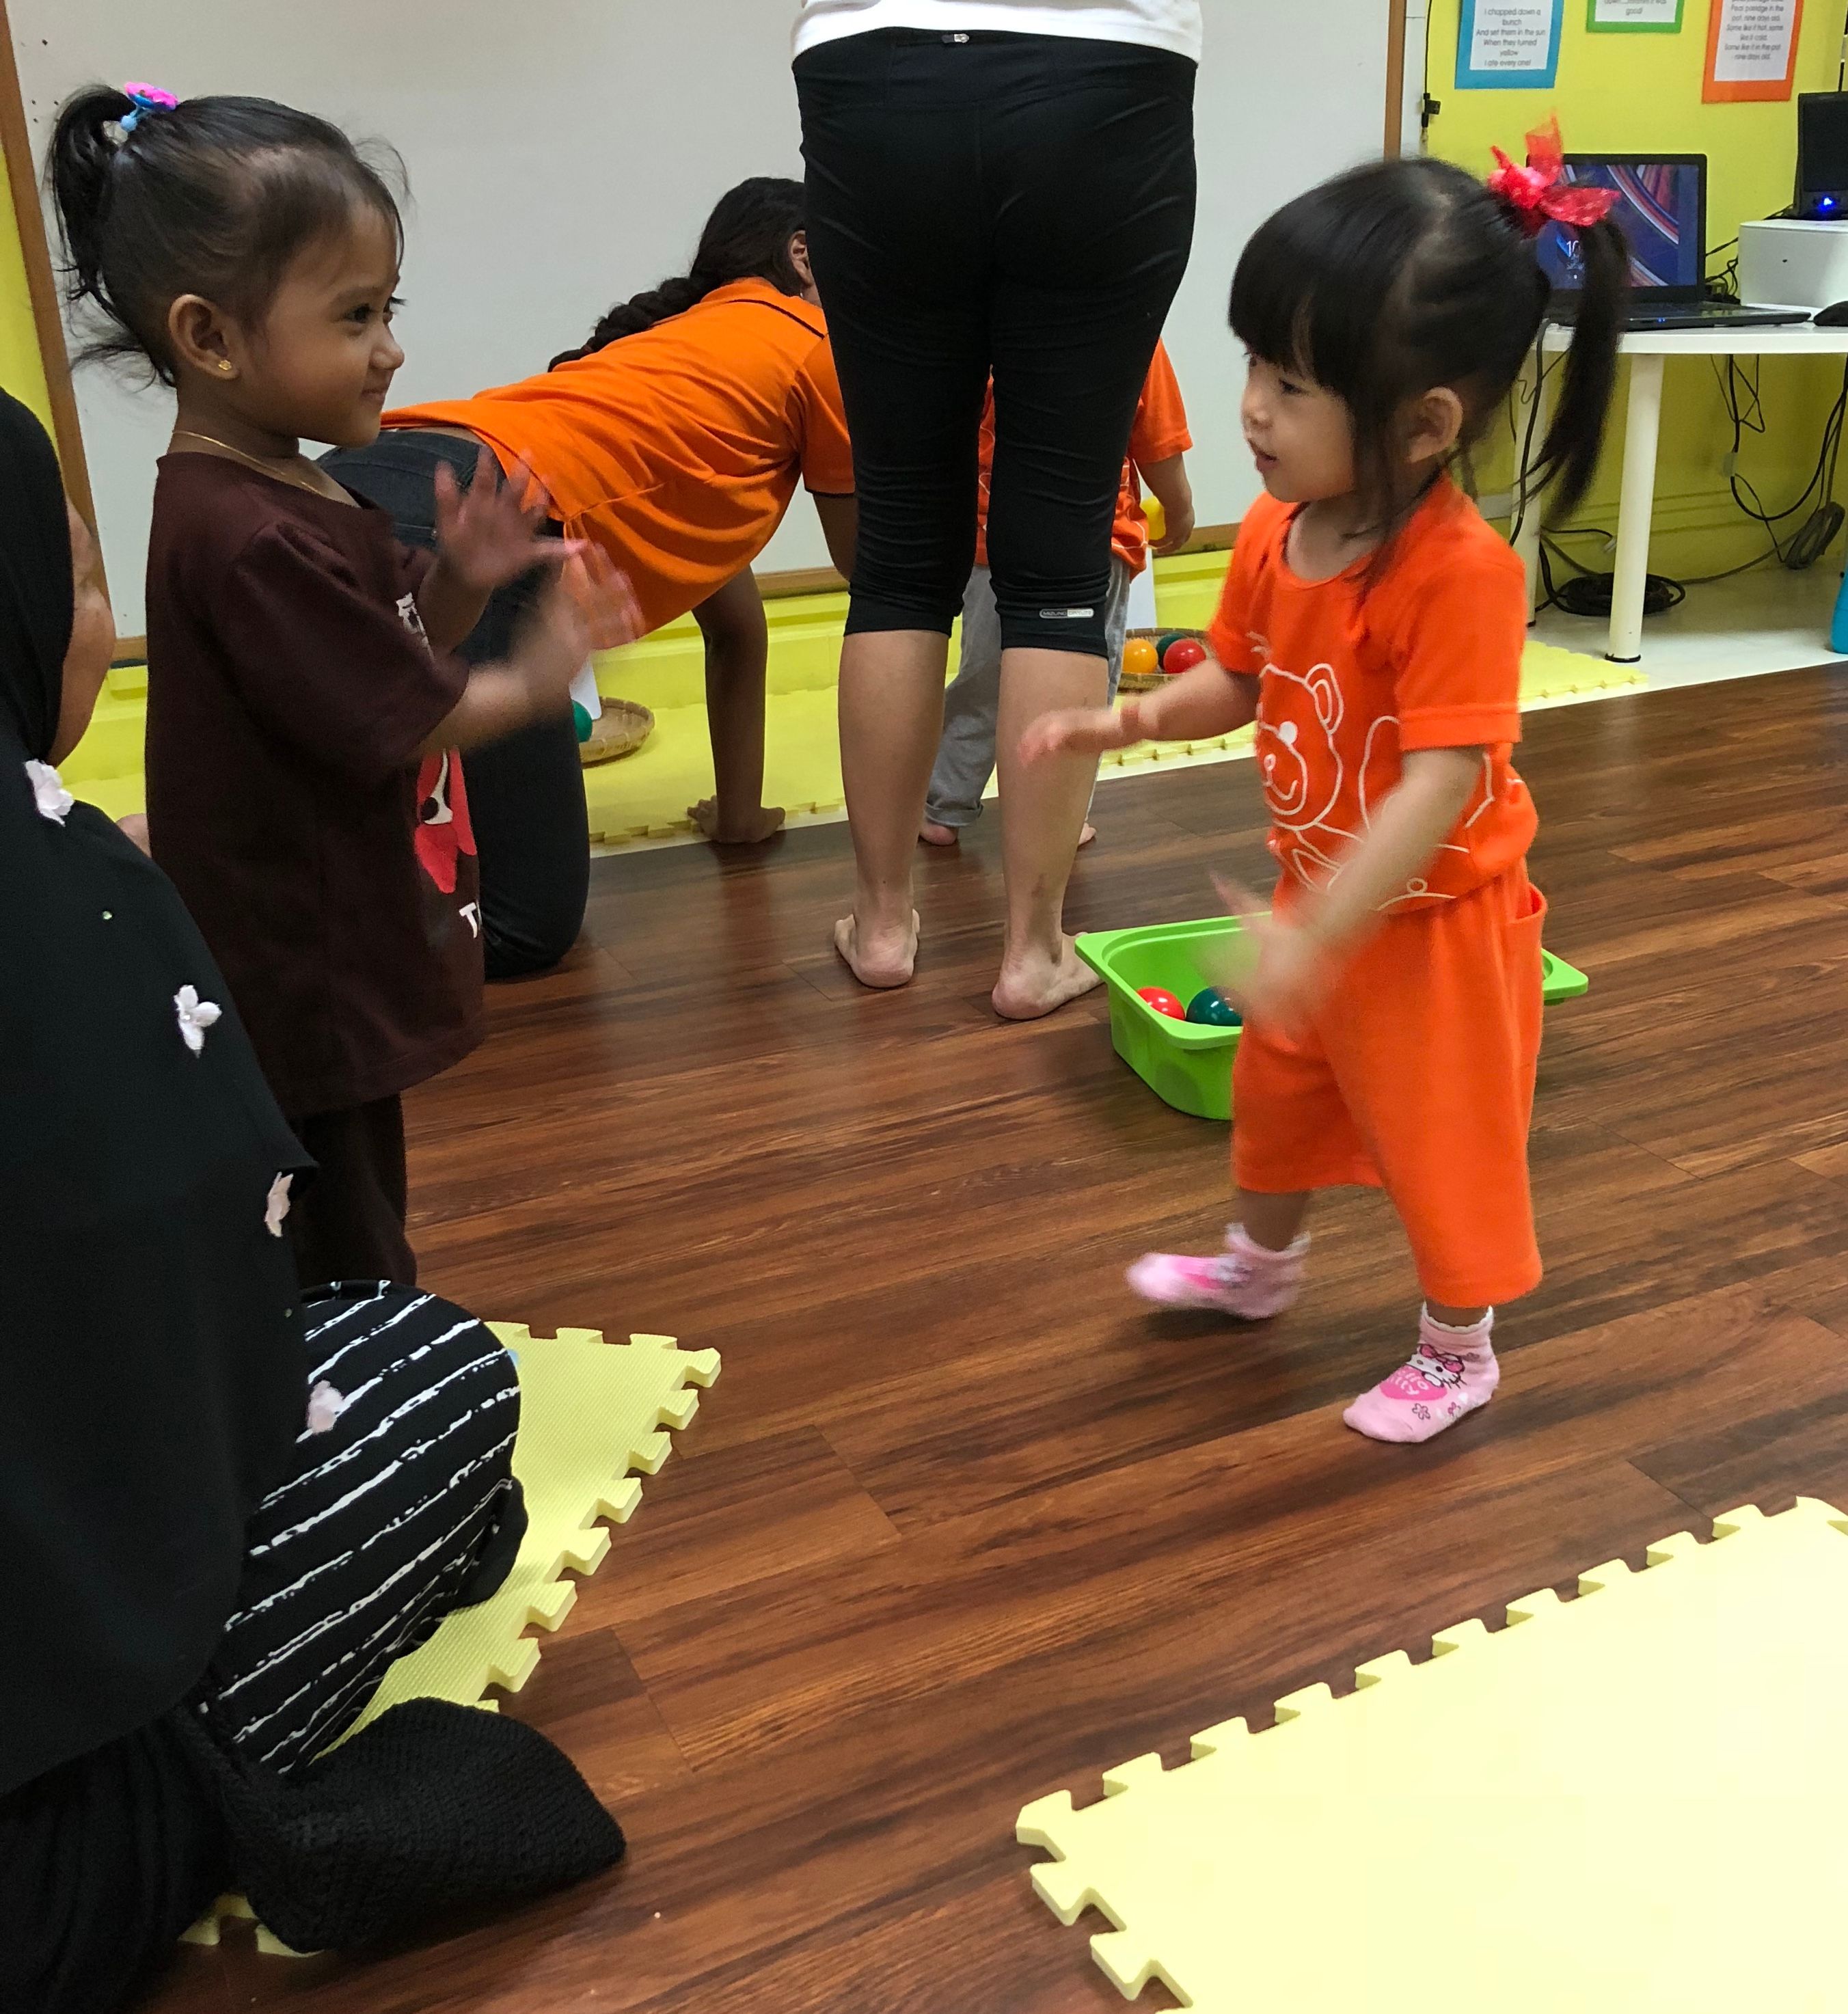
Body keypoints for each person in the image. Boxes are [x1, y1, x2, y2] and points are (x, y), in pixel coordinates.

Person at [0, 390, 622, 2014]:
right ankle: (205, 1794)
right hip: (52, 1852)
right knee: (436, 1368)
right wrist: (529, 676)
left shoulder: (263, 506)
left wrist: (453, 602)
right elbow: (215, 1342)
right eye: (79, 582)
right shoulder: (77, 889)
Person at [1024, 147, 1627, 1441]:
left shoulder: (1458, 574)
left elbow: (1442, 780)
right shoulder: (1276, 525)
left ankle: (1458, 1348)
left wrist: (1323, 932)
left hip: (1433, 928)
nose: (1251, 410)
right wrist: (1125, 719)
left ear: (1423, 425)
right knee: (1277, 1098)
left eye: (1291, 385)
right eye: (1254, 364)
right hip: (1318, 897)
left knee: (1441, 1144)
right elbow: (1238, 676)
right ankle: (1259, 1267)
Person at [47, 84, 606, 1285]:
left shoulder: (289, 486)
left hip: (326, 926)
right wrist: (533, 678)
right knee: (341, 1227)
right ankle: (349, 1378)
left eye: (386, 309)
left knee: (340, 1192)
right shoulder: (248, 533)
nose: (389, 349)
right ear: (211, 337)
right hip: (296, 957)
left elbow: (396, 644)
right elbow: (412, 714)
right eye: (355, 316)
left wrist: (458, 584)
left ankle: (326, 1356)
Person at [793, 1, 1200, 1017]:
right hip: (1110, 71)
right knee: (1062, 563)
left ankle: (881, 926)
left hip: (871, 74)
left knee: (897, 555)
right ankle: (1033, 950)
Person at [353, 176, 858, 975]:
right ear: (803, 253)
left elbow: (735, 628)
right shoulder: (814, 344)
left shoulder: (688, 361)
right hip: (474, 527)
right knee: (522, 926)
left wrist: (739, 817)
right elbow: (871, 569)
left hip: (366, 475)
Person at [921, 340, 1193, 849]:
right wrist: (1180, 509)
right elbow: (1158, 441)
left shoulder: (984, 318)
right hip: (1091, 535)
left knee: (985, 675)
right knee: (1084, 678)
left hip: (996, 535)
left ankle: (944, 802)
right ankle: (1056, 816)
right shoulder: (1128, 318)